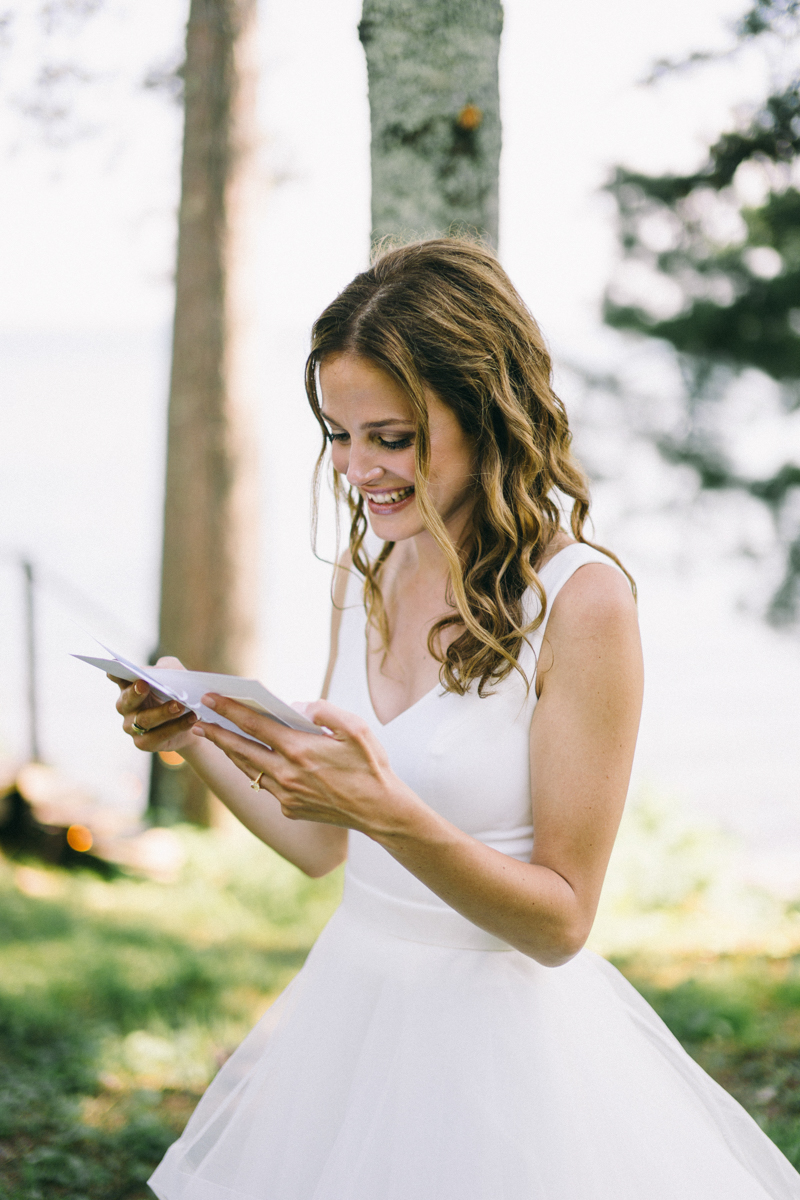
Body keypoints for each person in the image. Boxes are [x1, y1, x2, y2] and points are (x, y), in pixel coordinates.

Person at [115, 239, 799, 1199]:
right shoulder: (371, 573)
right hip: (351, 1013)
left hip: (499, 1051)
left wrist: (388, 810)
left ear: (487, 413)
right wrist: (195, 732)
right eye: (337, 435)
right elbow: (321, 847)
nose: (359, 470)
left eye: (391, 438)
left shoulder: (581, 603)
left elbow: (562, 921)